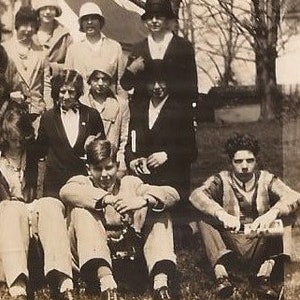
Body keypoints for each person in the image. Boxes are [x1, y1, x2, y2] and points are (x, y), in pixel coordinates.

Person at [60, 137, 180, 300]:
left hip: (127, 254)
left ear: (117, 166)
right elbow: (66, 191)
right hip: (91, 258)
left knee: (160, 210)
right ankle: (107, 285)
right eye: (98, 169)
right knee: (81, 211)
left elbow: (172, 194)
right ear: (88, 169)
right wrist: (106, 198)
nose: (104, 175)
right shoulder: (81, 182)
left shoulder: (129, 183)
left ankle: (161, 283)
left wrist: (143, 200)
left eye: (109, 168)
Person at [189, 133, 300, 299]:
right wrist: (221, 214)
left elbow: (293, 196)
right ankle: (222, 277)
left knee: (286, 216)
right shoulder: (222, 179)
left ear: (256, 160)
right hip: (230, 241)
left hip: (259, 241)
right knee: (204, 218)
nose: (245, 166)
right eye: (238, 161)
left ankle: (263, 277)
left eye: (250, 160)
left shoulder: (266, 178)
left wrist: (272, 213)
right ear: (230, 162)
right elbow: (196, 195)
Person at [0, 102, 74, 300]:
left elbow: (41, 193)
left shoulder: (33, 156)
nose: (17, 143)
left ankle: (63, 280)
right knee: (13, 208)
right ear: (4, 135)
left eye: (20, 138)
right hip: (6, 218)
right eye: (12, 138)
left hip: (31, 211)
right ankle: (18, 286)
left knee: (50, 203)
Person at [125, 61, 197, 202]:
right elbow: (130, 143)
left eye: (162, 82)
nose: (157, 87)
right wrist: (133, 160)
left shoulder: (181, 110)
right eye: (152, 83)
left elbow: (191, 151)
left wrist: (167, 155)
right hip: (143, 183)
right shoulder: (138, 108)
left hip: (172, 184)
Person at [35, 69, 105, 198]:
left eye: (71, 92)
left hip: (82, 182)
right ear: (57, 92)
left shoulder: (91, 115)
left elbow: (103, 151)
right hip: (54, 184)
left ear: (78, 92)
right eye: (62, 91)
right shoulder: (48, 118)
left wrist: (92, 146)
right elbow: (39, 151)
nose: (66, 96)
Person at [120, 0, 198, 109]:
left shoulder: (183, 47)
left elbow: (191, 86)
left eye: (159, 17)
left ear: (167, 20)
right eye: (150, 17)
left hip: (175, 111)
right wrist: (132, 69)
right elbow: (126, 84)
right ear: (145, 21)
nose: (154, 21)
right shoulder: (139, 48)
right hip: (145, 112)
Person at [64, 2, 127, 96]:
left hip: (109, 104)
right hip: (82, 104)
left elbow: (121, 83)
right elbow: (68, 83)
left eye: (93, 18)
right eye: (85, 19)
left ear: (100, 22)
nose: (89, 22)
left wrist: (122, 104)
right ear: (81, 24)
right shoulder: (73, 50)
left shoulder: (114, 47)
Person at [81, 66, 130, 178]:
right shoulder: (81, 102)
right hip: (87, 162)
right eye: (96, 79)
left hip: (111, 162)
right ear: (90, 81)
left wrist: (121, 158)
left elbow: (124, 136)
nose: (100, 83)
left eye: (104, 79)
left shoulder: (121, 104)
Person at [1, 7, 47, 119]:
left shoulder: (42, 52)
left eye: (32, 26)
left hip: (37, 112)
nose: (29, 29)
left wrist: (48, 113)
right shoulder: (4, 50)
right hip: (10, 112)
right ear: (17, 25)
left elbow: (46, 84)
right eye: (25, 25)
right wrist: (8, 95)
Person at [32, 0, 73, 109]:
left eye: (51, 8)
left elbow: (72, 65)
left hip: (55, 90)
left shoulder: (65, 36)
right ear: (38, 11)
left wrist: (54, 68)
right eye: (44, 8)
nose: (48, 12)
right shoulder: (29, 31)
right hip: (30, 90)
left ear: (56, 11)